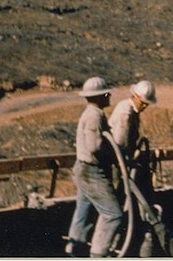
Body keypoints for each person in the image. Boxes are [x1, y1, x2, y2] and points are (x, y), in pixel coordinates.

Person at [65, 76, 123, 257]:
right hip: (92, 172)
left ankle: (74, 250)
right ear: (99, 96)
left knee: (85, 210)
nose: (109, 96)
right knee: (113, 215)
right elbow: (94, 146)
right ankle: (98, 255)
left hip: (83, 169)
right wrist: (115, 155)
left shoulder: (92, 113)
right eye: (106, 94)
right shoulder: (94, 116)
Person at [110, 80, 157, 155]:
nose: (145, 106)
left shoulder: (133, 110)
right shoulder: (125, 113)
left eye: (147, 103)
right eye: (143, 102)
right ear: (135, 96)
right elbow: (120, 143)